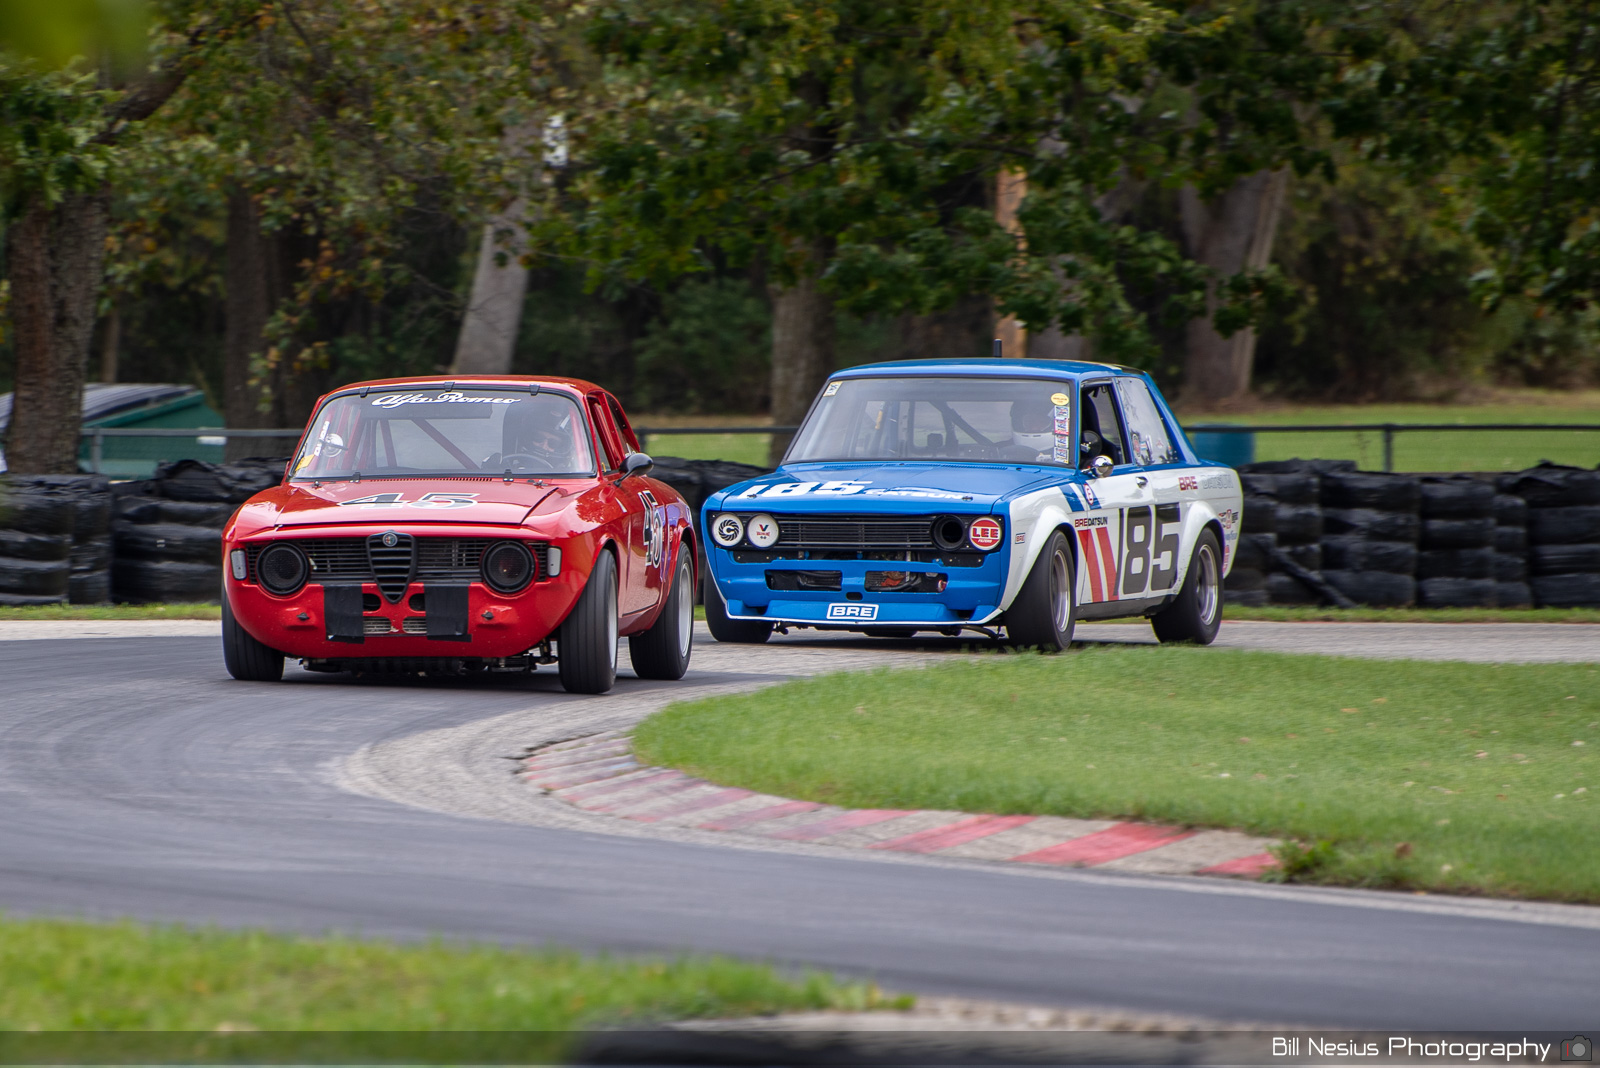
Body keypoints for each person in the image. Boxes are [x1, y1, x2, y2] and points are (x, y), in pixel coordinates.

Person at [1000, 397, 1056, 462]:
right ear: (1018, 423)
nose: (1034, 428)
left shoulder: (1064, 453)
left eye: (1041, 422)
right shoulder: (1000, 450)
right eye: (1029, 421)